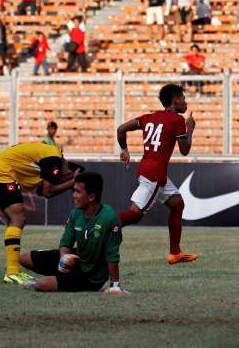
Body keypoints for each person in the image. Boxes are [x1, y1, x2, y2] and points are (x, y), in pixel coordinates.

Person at [116, 84, 198, 265]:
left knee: (177, 204)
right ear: (175, 101)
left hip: (147, 169)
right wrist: (190, 127)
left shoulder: (148, 117)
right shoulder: (177, 120)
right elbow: (185, 150)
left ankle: (175, 252)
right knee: (135, 214)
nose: (185, 102)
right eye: (183, 98)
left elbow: (121, 129)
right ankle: (101, 225)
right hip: (155, 175)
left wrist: (124, 150)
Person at [0, 142, 80, 284]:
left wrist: (71, 183)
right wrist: (73, 182)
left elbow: (42, 191)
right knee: (18, 219)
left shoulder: (51, 158)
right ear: (68, 170)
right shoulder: (53, 159)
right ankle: (12, 272)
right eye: (68, 177)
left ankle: (13, 271)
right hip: (2, 172)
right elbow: (48, 191)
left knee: (16, 221)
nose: (63, 179)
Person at [20, 172, 126, 293]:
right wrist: (64, 258)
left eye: (78, 191)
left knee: (41, 285)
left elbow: (112, 254)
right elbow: (66, 241)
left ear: (91, 197)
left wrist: (115, 285)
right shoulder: (76, 212)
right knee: (24, 258)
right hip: (76, 259)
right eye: (73, 191)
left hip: (91, 276)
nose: (74, 195)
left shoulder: (109, 218)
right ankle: (58, 276)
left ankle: (54, 280)